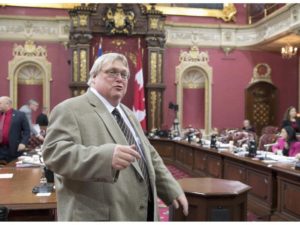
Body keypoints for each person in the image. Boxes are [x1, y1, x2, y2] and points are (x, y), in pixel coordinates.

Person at [42, 53, 188, 221]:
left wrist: (170, 187)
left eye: (124, 74)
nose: (120, 78)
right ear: (94, 77)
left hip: (142, 213)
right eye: (112, 72)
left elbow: (148, 154)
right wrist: (105, 157)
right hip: (100, 215)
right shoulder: (70, 109)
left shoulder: (128, 113)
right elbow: (54, 154)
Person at [0, 96, 30, 163]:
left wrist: (23, 143)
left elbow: (27, 131)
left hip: (14, 148)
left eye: (0, 103)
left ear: (7, 104)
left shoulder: (20, 115)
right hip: (1, 149)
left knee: (13, 170)